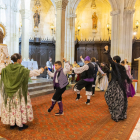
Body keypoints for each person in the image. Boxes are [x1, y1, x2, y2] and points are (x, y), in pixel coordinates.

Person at [1, 53, 44, 131]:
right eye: (21, 58)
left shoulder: (7, 68)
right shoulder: (21, 69)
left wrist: (2, 63)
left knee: (12, 106)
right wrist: (40, 70)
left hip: (10, 92)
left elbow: (2, 71)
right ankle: (20, 125)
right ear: (18, 60)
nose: (21, 60)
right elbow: (30, 73)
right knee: (19, 106)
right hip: (19, 92)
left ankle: (12, 124)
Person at [104, 46, 131, 122]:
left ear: (115, 60)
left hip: (115, 85)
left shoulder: (116, 66)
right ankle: (121, 115)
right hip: (121, 86)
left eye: (113, 60)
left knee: (111, 98)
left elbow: (109, 60)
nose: (112, 61)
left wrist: (107, 51)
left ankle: (116, 115)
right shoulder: (122, 67)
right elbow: (125, 76)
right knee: (120, 100)